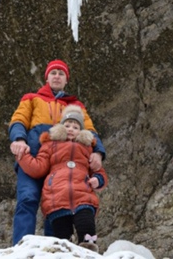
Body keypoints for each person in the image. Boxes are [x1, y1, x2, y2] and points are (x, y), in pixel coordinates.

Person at [9, 59, 106, 244]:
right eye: (53, 73)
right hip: (34, 158)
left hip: (59, 165)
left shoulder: (76, 105)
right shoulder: (31, 98)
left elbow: (90, 130)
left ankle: (54, 248)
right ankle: (21, 248)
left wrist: (98, 152)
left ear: (66, 80)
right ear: (46, 77)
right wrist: (19, 140)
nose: (57, 76)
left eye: (61, 74)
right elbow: (18, 120)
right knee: (27, 199)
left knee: (56, 206)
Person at [16, 105, 108, 252]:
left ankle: (88, 250)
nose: (71, 129)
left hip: (83, 195)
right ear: (61, 128)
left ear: (82, 131)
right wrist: (22, 155)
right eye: (67, 125)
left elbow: (99, 171)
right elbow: (38, 167)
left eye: (75, 126)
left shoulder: (87, 148)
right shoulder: (50, 145)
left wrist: (98, 180)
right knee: (62, 236)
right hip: (56, 198)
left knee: (86, 225)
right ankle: (65, 252)